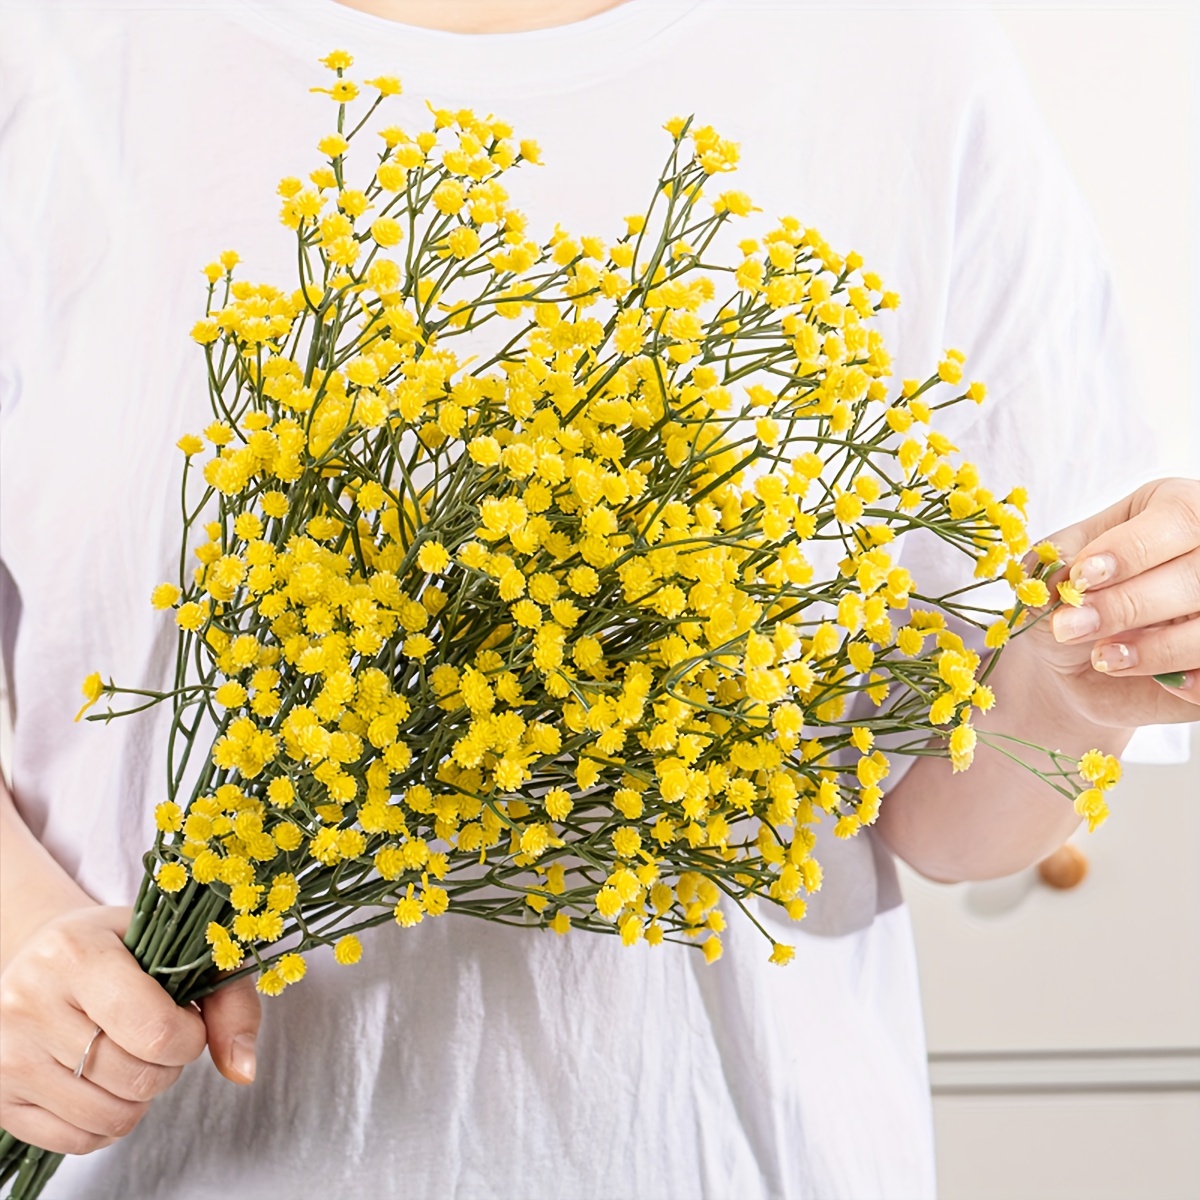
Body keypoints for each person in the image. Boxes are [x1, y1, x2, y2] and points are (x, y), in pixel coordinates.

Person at [0, 1, 1196, 1197]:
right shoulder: (54, 62)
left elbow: (943, 821)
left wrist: (1080, 675)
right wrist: (20, 944)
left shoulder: (900, 60)